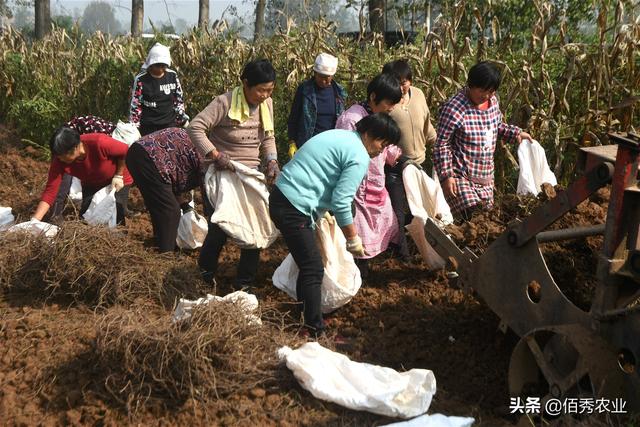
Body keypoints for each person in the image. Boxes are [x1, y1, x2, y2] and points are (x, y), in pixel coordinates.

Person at [270, 113, 401, 336]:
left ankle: (306, 316)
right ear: (368, 134)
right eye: (382, 142)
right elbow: (342, 201)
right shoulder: (359, 155)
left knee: (308, 264)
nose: (382, 150)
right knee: (313, 267)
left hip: (283, 196)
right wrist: (352, 239)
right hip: (294, 206)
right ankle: (313, 329)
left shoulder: (343, 136)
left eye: (387, 145)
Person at [187, 59, 280, 290]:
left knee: (254, 228)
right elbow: (195, 127)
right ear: (245, 84)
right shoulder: (224, 103)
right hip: (221, 174)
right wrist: (216, 155)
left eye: (270, 90)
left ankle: (244, 284)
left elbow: (268, 137)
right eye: (261, 90)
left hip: (249, 175)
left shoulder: (267, 105)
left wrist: (272, 162)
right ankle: (204, 277)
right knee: (219, 228)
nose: (265, 95)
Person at [433, 61, 532, 220]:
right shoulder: (454, 108)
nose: (486, 96)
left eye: (491, 92)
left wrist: (515, 134)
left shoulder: (492, 103)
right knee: (474, 217)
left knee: (487, 222)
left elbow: (496, 126)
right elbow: (442, 145)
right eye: (482, 91)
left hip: (485, 178)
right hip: (461, 177)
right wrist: (446, 176)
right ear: (470, 85)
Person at [335, 73, 403, 277]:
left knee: (374, 228)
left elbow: (387, 148)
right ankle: (354, 277)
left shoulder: (379, 118)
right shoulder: (352, 119)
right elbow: (344, 154)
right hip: (355, 186)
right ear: (373, 97)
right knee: (356, 232)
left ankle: (360, 274)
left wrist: (398, 157)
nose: (391, 108)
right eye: (389, 103)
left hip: (374, 183)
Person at [382, 59, 438, 261]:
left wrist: (435, 139)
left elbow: (426, 122)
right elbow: (379, 134)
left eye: (406, 81)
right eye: (398, 81)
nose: (403, 86)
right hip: (395, 167)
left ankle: (421, 250)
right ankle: (402, 255)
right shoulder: (387, 103)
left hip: (418, 164)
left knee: (420, 210)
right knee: (397, 210)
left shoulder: (419, 94)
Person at [32, 127, 132, 225]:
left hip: (117, 181)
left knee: (116, 213)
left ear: (75, 148)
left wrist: (119, 175)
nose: (60, 160)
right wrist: (35, 220)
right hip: (91, 183)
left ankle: (118, 237)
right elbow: (50, 191)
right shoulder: (59, 161)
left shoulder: (98, 142)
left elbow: (124, 150)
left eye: (62, 156)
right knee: (87, 217)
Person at [126, 127, 202, 252]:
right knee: (170, 211)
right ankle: (166, 255)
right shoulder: (206, 158)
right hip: (147, 157)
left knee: (159, 207)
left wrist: (184, 204)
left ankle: (160, 242)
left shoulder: (198, 146)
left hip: (140, 154)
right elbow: (208, 193)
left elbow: (173, 176)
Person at [47, 115, 118, 222]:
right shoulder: (101, 138)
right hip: (64, 145)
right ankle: (55, 215)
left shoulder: (108, 141)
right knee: (62, 182)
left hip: (74, 147)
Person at [286, 53, 347, 158]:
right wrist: (292, 142)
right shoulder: (305, 90)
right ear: (315, 73)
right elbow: (294, 118)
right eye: (320, 77)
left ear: (333, 75)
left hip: (331, 148)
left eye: (327, 77)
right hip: (307, 146)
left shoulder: (339, 92)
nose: (323, 81)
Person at [129, 43, 189, 136]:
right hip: (149, 127)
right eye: (158, 65)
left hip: (169, 125)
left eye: (163, 65)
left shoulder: (172, 76)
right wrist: (134, 127)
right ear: (151, 64)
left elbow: (178, 101)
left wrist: (183, 120)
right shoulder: (141, 79)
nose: (161, 69)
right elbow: (136, 105)